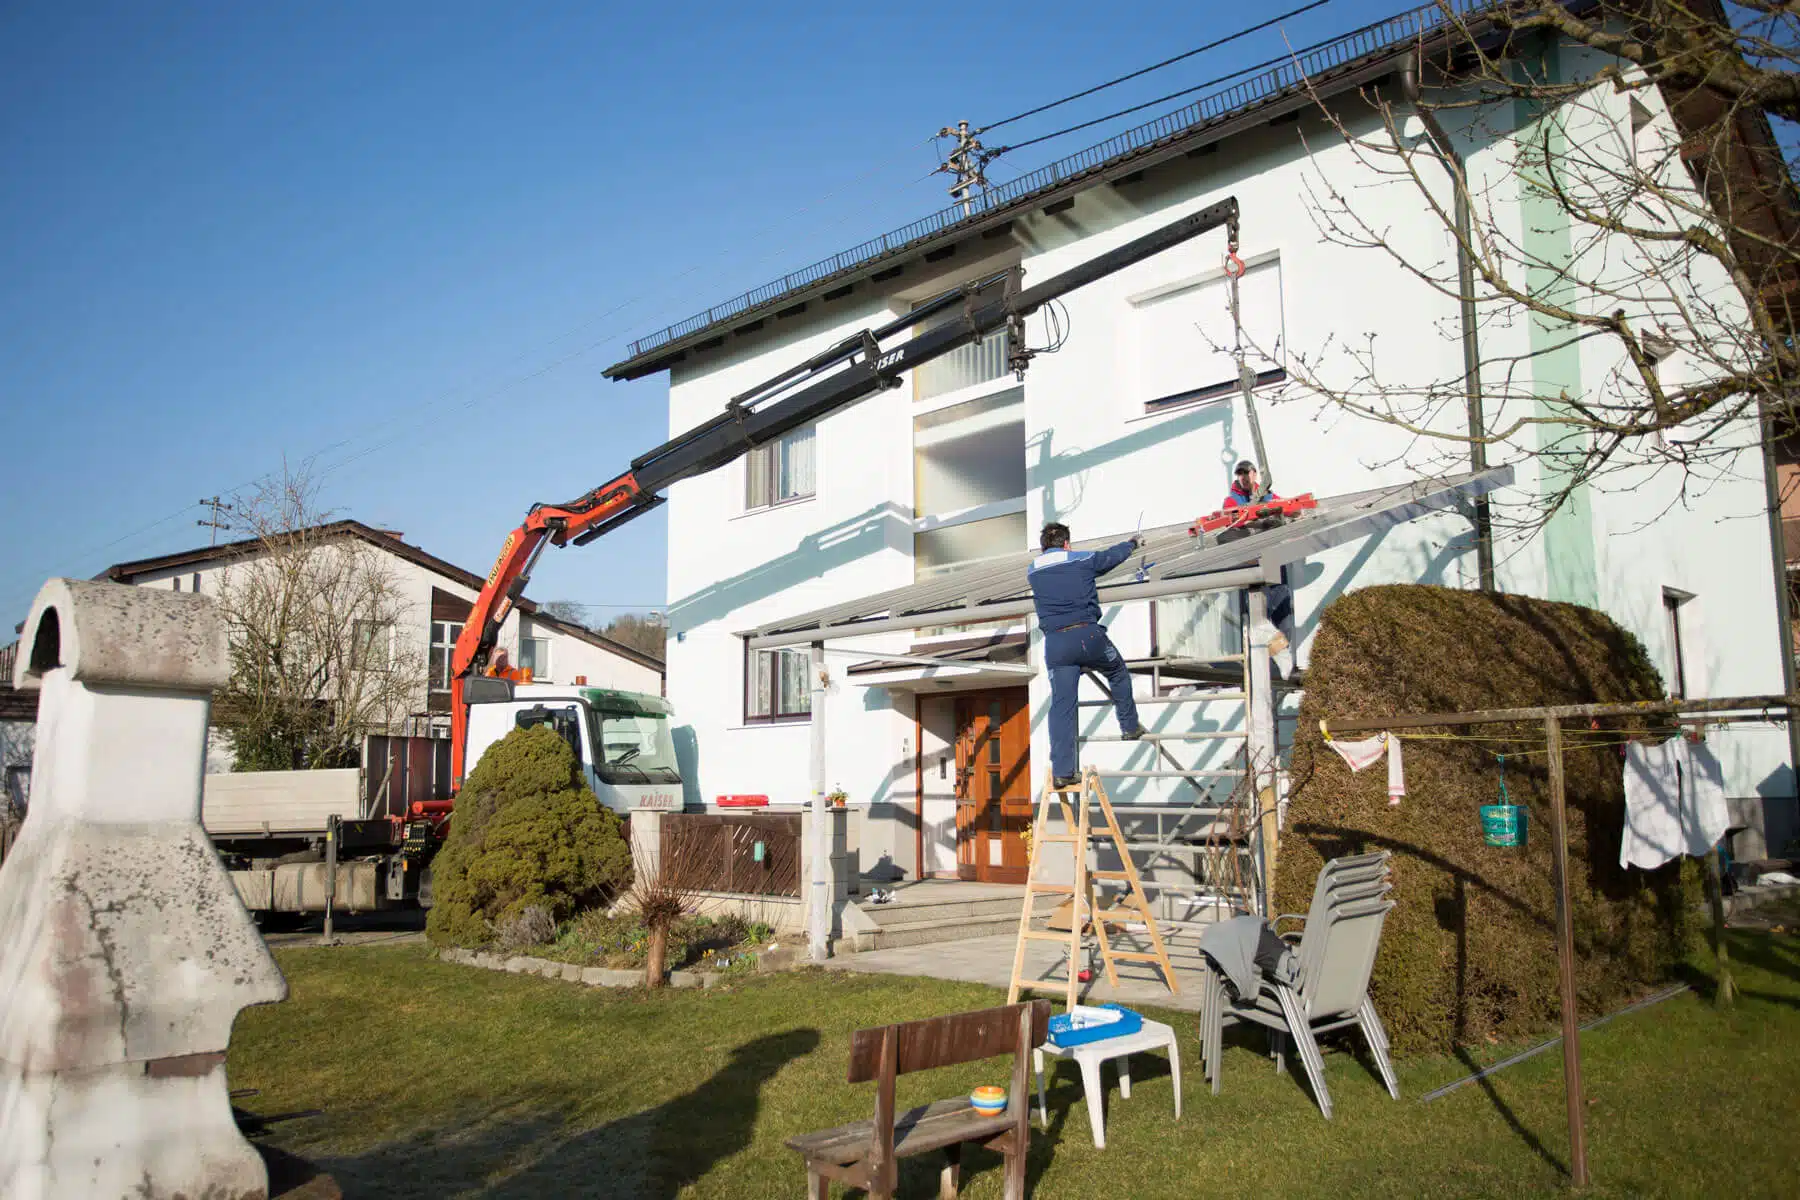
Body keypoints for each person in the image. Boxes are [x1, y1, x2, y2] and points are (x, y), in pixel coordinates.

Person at [1028, 522, 1144, 789]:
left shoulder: (1033, 570)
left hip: (1056, 645)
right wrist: (1131, 543)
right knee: (1116, 670)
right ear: (1067, 543)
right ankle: (1129, 727)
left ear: (1044, 546)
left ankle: (1063, 771)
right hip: (1088, 636)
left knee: (1062, 706)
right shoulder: (1080, 560)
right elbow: (1109, 558)